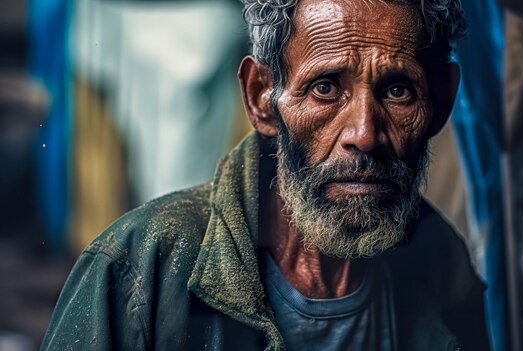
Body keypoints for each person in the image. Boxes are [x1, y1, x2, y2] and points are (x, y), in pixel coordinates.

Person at [42, 0, 490, 349]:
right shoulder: (140, 268)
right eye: (326, 87)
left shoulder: (442, 265)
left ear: (442, 103)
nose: (364, 134)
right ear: (261, 98)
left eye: (397, 90)